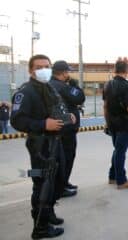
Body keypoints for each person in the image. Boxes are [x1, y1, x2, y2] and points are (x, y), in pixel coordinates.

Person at [10, 54, 76, 239]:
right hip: (40, 144)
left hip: (55, 142)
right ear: (31, 70)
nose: (44, 69)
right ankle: (40, 226)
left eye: (47, 66)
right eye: (39, 67)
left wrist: (66, 117)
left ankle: (49, 214)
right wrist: (43, 125)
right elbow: (17, 120)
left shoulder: (47, 88)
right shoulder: (27, 91)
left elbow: (54, 110)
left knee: (59, 178)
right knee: (42, 183)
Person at [103, 61, 128, 190]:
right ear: (126, 70)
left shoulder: (108, 84)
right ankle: (121, 181)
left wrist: (107, 122)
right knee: (120, 152)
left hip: (112, 124)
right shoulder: (125, 86)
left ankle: (113, 176)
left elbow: (105, 106)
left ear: (115, 70)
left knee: (117, 150)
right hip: (124, 124)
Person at [49, 61, 85, 197]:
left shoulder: (50, 84)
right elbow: (80, 98)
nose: (68, 74)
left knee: (61, 159)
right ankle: (61, 187)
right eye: (67, 72)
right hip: (66, 129)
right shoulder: (62, 86)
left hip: (59, 129)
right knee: (67, 158)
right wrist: (75, 86)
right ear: (63, 73)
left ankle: (63, 182)